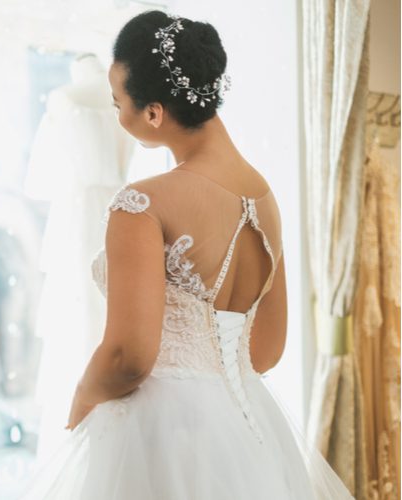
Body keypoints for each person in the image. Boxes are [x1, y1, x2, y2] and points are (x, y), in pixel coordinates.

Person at [19, 10, 354, 499]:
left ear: (154, 113)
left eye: (118, 105)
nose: (118, 117)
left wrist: (82, 401)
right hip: (249, 433)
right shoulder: (264, 197)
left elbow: (129, 357)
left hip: (166, 437)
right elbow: (266, 349)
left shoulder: (143, 204)